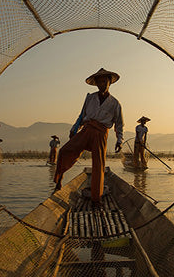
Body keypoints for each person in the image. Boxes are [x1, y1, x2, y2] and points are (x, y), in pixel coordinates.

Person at [53, 68, 123, 207]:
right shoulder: (90, 98)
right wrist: (74, 128)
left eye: (105, 81)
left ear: (109, 83)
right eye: (99, 82)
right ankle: (59, 179)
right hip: (87, 129)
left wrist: (119, 140)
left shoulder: (115, 103)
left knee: (98, 165)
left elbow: (119, 124)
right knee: (65, 151)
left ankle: (96, 199)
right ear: (96, 84)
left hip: (101, 133)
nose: (102, 84)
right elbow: (81, 115)